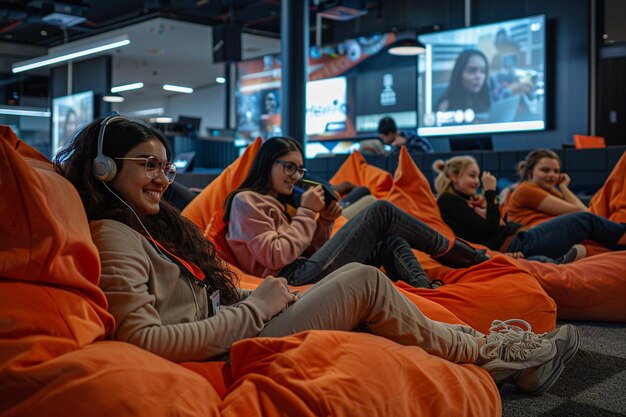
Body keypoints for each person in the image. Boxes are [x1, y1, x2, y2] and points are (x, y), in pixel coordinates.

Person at [54, 115, 580, 396]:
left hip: (245, 310)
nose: (164, 179)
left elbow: (208, 291)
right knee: (366, 262)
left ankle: (489, 348)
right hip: (239, 329)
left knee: (378, 241)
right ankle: (493, 343)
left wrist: (316, 219)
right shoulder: (121, 231)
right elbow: (267, 261)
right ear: (103, 168)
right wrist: (260, 300)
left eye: (167, 168)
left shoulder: (154, 227)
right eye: (149, 165)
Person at [224, 136, 489, 289]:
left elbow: (313, 251)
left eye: (300, 170)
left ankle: (425, 290)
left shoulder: (281, 203)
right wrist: (306, 211)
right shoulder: (246, 201)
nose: (295, 176)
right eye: (289, 167)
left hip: (303, 269)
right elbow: (275, 256)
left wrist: (325, 220)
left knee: (389, 239)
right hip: (287, 280)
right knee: (381, 210)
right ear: (268, 163)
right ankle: (459, 254)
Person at [433, 155, 626, 262]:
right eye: (472, 176)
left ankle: (551, 261)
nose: (477, 181)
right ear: (454, 177)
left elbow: (581, 209)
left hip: (520, 240)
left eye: (556, 171)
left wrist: (563, 187)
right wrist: (490, 193)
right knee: (585, 221)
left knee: (586, 223)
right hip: (518, 242)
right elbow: (490, 229)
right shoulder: (449, 202)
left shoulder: (468, 201)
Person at [506, 149, 589, 226]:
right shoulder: (526, 189)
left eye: (556, 171)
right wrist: (563, 188)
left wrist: (563, 187)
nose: (552, 175)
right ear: (530, 173)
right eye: (545, 170)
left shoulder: (549, 190)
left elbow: (585, 213)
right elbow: (583, 213)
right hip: (529, 238)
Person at [436, 49, 491, 115]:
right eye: (472, 71)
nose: (478, 76)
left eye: (483, 71)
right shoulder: (446, 105)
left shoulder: (487, 98)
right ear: (459, 73)